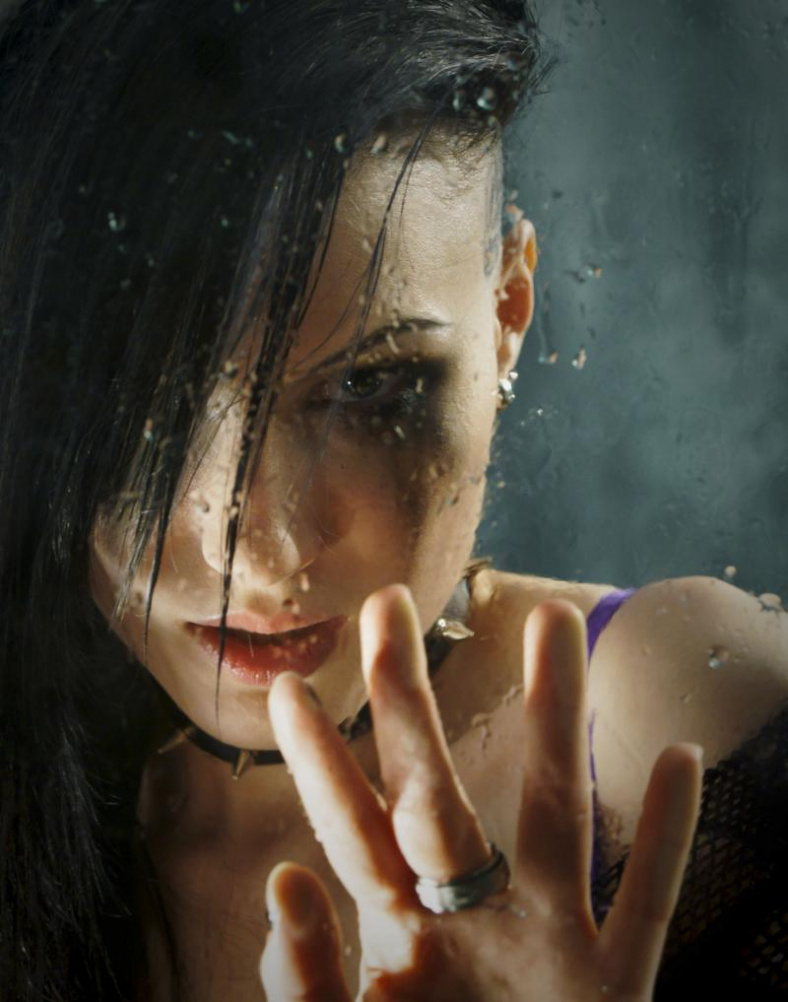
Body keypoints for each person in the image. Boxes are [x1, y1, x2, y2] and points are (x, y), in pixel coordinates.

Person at [1, 1, 786, 1000]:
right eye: (141, 398)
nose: (266, 554)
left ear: (506, 312)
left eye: (368, 388)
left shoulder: (668, 728)